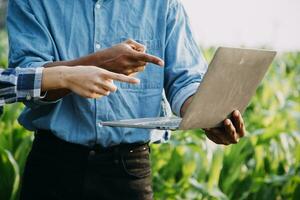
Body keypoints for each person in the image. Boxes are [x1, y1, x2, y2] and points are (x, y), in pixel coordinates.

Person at [7, 0, 246, 200]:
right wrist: (99, 62)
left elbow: (185, 80)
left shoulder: (163, 4)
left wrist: (206, 114)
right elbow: (27, 82)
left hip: (128, 170)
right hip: (52, 167)